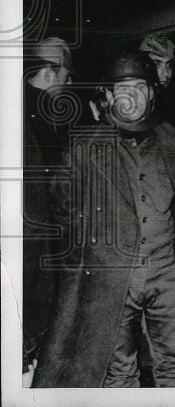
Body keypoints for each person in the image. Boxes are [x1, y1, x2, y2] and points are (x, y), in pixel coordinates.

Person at [34, 49, 175, 387]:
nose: (131, 96)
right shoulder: (84, 148)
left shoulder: (171, 141)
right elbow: (61, 213)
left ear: (152, 92)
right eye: (121, 88)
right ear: (107, 96)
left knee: (174, 368)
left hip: (166, 279)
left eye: (139, 86)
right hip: (111, 286)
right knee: (119, 374)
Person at [21, 37, 76, 381]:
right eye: (67, 77)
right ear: (51, 72)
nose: (69, 86)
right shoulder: (42, 119)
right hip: (32, 265)